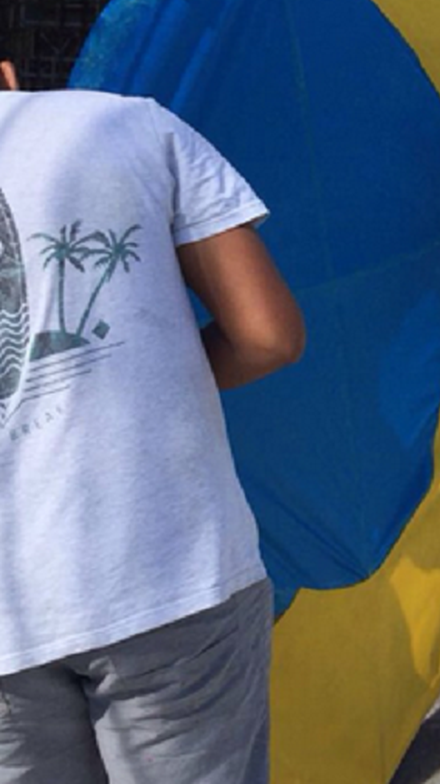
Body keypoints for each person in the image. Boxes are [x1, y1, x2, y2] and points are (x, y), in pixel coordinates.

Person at [0, 44, 305, 782]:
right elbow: (268, 335)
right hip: (167, 574)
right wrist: (151, 379)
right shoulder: (129, 127)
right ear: (7, 73)